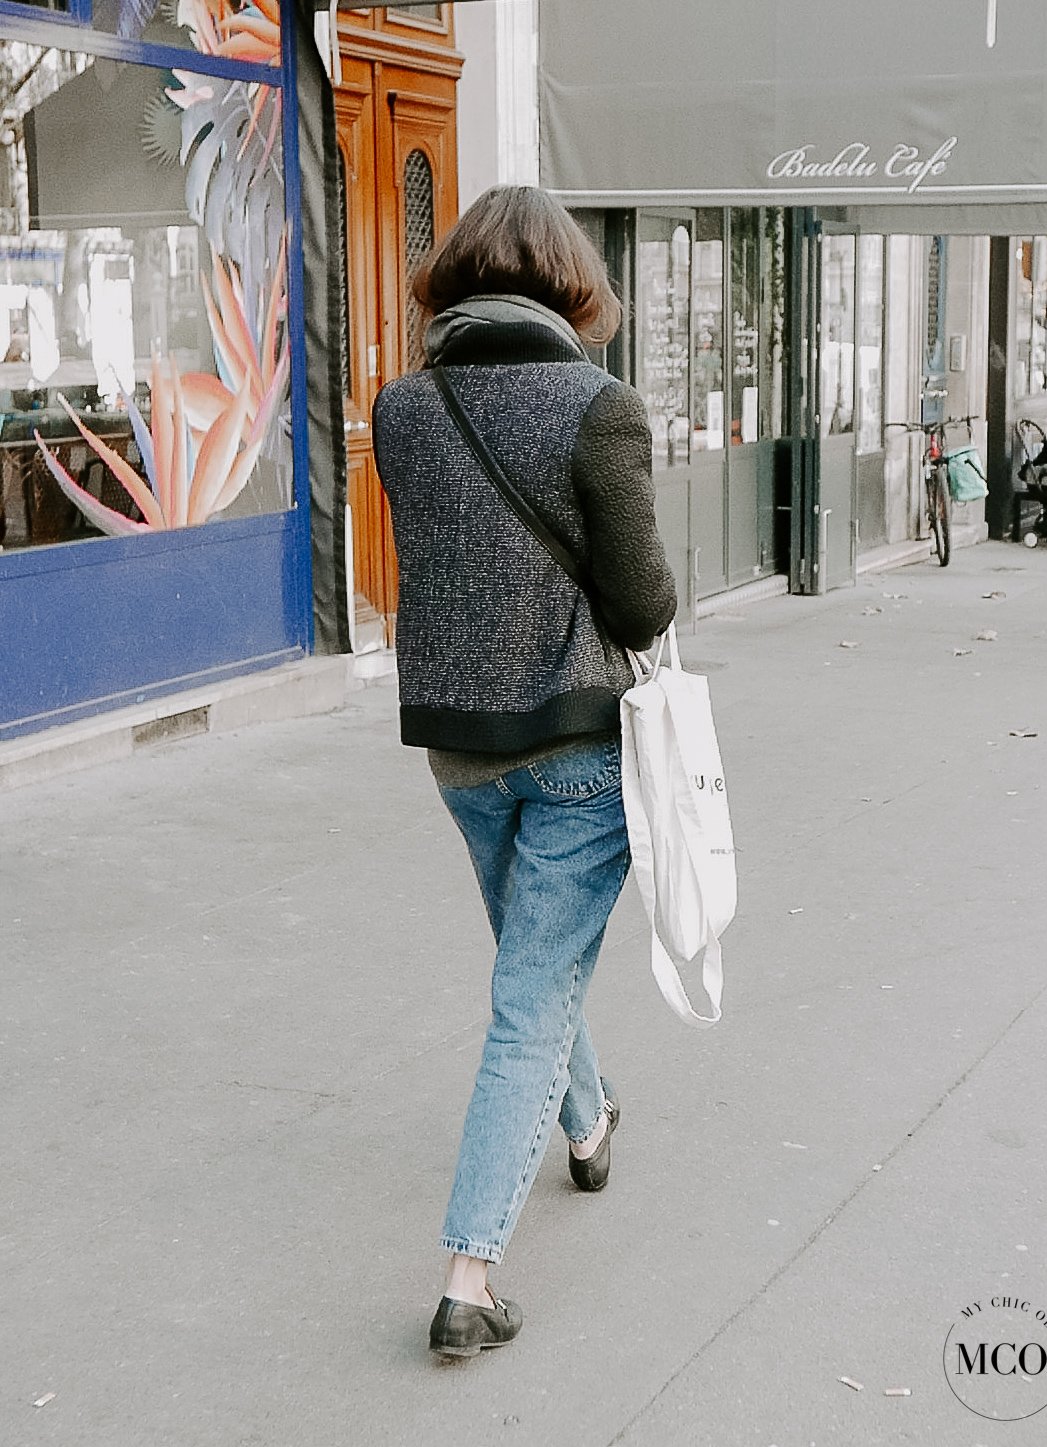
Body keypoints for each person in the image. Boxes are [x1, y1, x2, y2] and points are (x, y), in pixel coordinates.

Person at [371, 185, 677, 1358]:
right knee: (532, 991)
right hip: (577, 752)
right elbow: (644, 601)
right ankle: (467, 1276)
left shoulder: (402, 408)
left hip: (459, 751)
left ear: (454, 279)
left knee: (530, 967)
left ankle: (589, 1124)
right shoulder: (600, 408)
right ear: (569, 286)